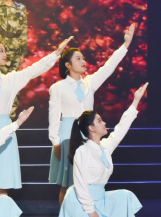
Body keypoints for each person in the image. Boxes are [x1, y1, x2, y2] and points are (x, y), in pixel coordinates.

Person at [0, 36, 72, 202]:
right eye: (1, 51)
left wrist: (56, 53)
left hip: (5, 130)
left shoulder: (11, 80)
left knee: (2, 181)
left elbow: (34, 69)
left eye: (5, 51)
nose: (5, 54)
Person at [51, 83, 147, 217]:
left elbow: (121, 128)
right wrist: (90, 210)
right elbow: (80, 184)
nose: (104, 123)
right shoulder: (82, 151)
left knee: (125, 195)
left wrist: (135, 101)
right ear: (91, 128)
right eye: (99, 121)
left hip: (100, 198)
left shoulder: (105, 147)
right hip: (81, 201)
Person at [49, 24, 135, 205]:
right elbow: (53, 117)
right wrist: (55, 142)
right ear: (68, 65)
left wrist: (125, 45)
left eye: (83, 58)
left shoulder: (90, 82)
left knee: (86, 180)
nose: (83, 61)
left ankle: (86, 215)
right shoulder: (58, 87)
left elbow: (109, 66)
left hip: (87, 134)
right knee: (67, 183)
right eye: (78, 58)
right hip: (67, 136)